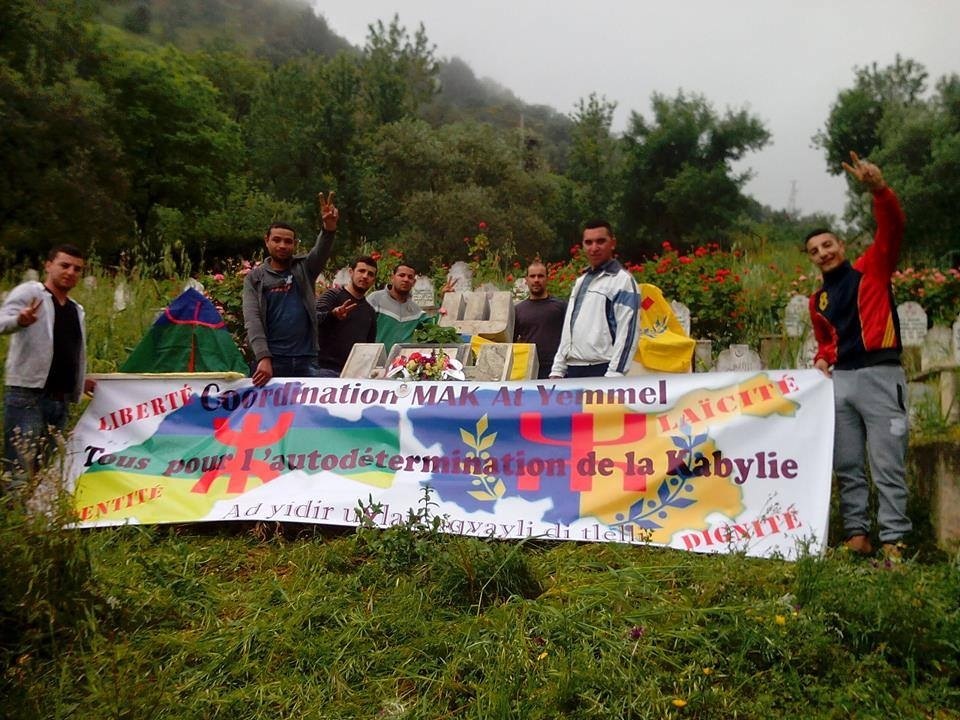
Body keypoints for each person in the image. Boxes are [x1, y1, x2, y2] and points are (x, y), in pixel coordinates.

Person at [806, 151, 911, 560]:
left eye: (827, 244)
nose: (823, 253)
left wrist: (879, 189)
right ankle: (857, 535)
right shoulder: (818, 299)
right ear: (811, 259)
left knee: (887, 465)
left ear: (841, 245)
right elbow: (828, 342)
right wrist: (821, 360)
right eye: (814, 250)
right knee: (848, 465)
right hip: (842, 383)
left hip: (881, 376)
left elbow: (893, 227)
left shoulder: (873, 267)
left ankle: (894, 541)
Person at [1, 244, 94, 482]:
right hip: (28, 395)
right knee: (20, 469)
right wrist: (19, 320)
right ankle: (18, 514)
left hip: (60, 399)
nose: (71, 272)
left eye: (77, 269)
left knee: (47, 471)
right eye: (65, 265)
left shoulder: (76, 310)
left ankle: (39, 515)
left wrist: (80, 380)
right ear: (48, 265)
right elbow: (2, 321)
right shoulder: (32, 293)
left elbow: (71, 352)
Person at [242, 192, 338, 387]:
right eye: (277, 240)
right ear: (266, 240)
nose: (282, 245)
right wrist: (263, 357)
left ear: (294, 244)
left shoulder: (305, 268)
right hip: (272, 361)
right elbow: (253, 320)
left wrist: (329, 228)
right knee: (269, 415)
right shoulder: (255, 278)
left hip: (306, 359)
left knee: (307, 414)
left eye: (288, 241)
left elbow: (321, 251)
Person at [550, 220, 640, 379]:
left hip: (603, 370)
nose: (594, 248)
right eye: (588, 242)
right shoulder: (581, 281)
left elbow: (628, 332)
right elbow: (568, 327)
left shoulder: (622, 281)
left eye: (600, 241)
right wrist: (557, 369)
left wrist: (615, 374)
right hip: (573, 370)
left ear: (613, 243)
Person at [315, 256, 378, 377]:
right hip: (324, 371)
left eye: (370, 274)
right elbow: (314, 319)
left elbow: (369, 346)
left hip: (354, 374)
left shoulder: (369, 312)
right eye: (361, 271)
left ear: (373, 280)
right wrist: (332, 315)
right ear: (351, 272)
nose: (365, 276)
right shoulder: (332, 295)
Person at [514, 261, 566, 379]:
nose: (536, 280)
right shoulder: (518, 310)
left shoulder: (560, 307)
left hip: (556, 370)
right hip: (528, 370)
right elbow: (512, 342)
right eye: (532, 276)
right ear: (526, 280)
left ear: (547, 279)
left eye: (540, 276)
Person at [366, 263, 427, 352]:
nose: (406, 279)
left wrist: (445, 296)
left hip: (401, 363)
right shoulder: (375, 299)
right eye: (401, 275)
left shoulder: (416, 311)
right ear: (392, 277)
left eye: (410, 277)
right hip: (375, 359)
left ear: (414, 282)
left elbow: (433, 327)